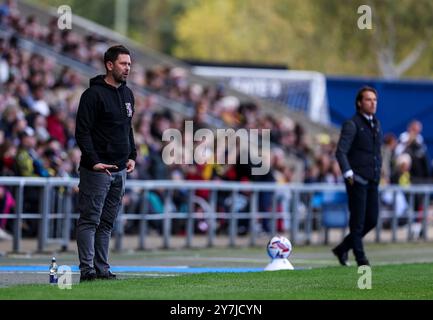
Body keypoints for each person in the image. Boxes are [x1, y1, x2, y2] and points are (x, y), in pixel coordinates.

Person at [75, 45, 137, 281]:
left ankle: (102, 267)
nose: (127, 68)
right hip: (98, 170)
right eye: (123, 63)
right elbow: (82, 132)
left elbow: (127, 129)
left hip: (121, 170)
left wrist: (132, 155)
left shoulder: (128, 94)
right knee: (90, 219)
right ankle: (87, 269)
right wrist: (94, 162)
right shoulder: (92, 95)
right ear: (109, 65)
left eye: (129, 64)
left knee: (107, 222)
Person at [333, 86, 382, 267]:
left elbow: (376, 152)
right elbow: (341, 152)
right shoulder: (352, 124)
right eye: (369, 100)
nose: (373, 103)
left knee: (372, 220)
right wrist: (349, 173)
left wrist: (379, 171)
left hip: (372, 179)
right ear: (360, 103)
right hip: (358, 179)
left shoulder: (376, 123)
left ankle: (342, 248)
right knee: (358, 222)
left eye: (375, 100)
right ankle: (361, 259)